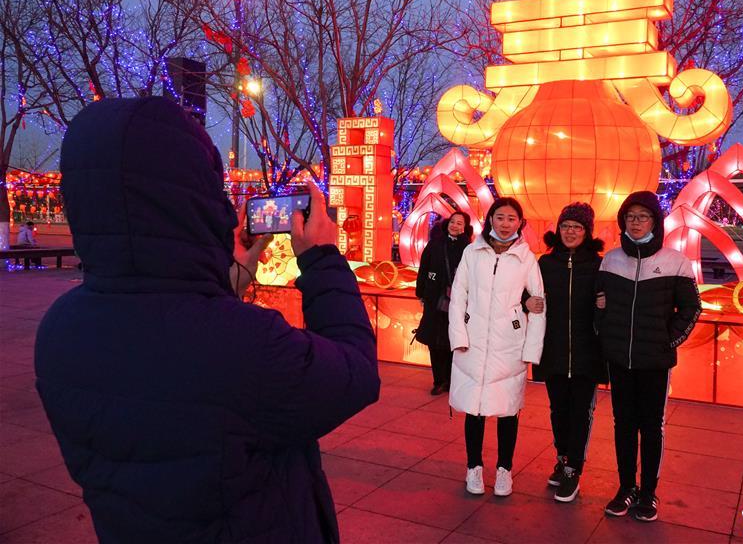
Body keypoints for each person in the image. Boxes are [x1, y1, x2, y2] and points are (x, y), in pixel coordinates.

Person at [35, 97, 380, 543]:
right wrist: (322, 260)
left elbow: (167, 349)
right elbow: (354, 373)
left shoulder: (59, 331)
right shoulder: (246, 346)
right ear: (194, 199)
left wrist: (227, 273)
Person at [596, 191, 701, 522]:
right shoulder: (611, 260)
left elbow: (691, 307)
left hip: (654, 361)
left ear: (655, 221)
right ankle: (625, 487)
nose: (636, 222)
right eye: (630, 217)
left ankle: (648, 492)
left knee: (651, 427)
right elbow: (598, 303)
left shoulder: (675, 261)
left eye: (643, 217)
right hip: (620, 360)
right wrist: (604, 331)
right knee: (623, 425)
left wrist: (669, 341)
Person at [448, 197, 546, 497]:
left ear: (520, 223)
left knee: (507, 412)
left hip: (509, 344)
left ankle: (504, 470)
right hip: (473, 343)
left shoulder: (526, 258)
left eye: (511, 219)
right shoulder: (472, 252)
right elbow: (459, 296)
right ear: (491, 219)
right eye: (500, 217)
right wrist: (459, 338)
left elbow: (539, 304)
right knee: (474, 411)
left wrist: (531, 352)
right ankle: (473, 467)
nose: (505, 224)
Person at [525, 202, 606, 503]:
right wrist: (527, 303)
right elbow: (526, 295)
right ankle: (562, 457)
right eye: (566, 226)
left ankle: (574, 468)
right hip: (554, 349)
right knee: (558, 409)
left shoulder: (599, 265)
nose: (570, 231)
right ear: (558, 230)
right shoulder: (545, 265)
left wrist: (604, 305)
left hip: (587, 353)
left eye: (577, 227)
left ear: (587, 232)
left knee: (581, 412)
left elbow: (610, 301)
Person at [415, 211, 473, 395]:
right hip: (435, 300)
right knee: (434, 341)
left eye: (460, 223)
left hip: (457, 302)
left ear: (465, 228)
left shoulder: (468, 248)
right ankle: (439, 380)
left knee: (452, 341)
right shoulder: (435, 244)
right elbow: (424, 268)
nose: (455, 226)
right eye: (453, 222)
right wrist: (422, 292)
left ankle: (451, 379)